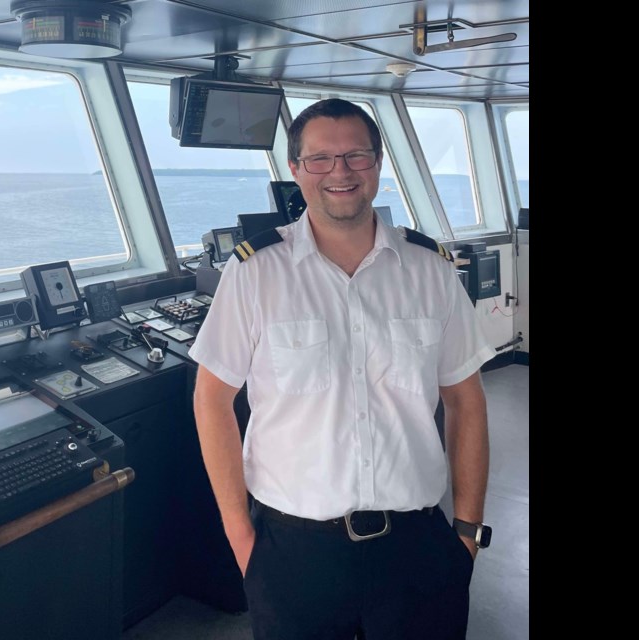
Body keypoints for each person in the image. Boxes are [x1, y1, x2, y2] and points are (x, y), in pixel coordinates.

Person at [188, 98, 495, 640]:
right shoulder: (254, 274)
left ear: (377, 164)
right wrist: (243, 542)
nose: (340, 172)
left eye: (356, 156)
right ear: (296, 170)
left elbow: (466, 401)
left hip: (418, 548)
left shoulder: (430, 270)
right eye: (321, 159)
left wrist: (465, 534)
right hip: (292, 554)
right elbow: (212, 400)